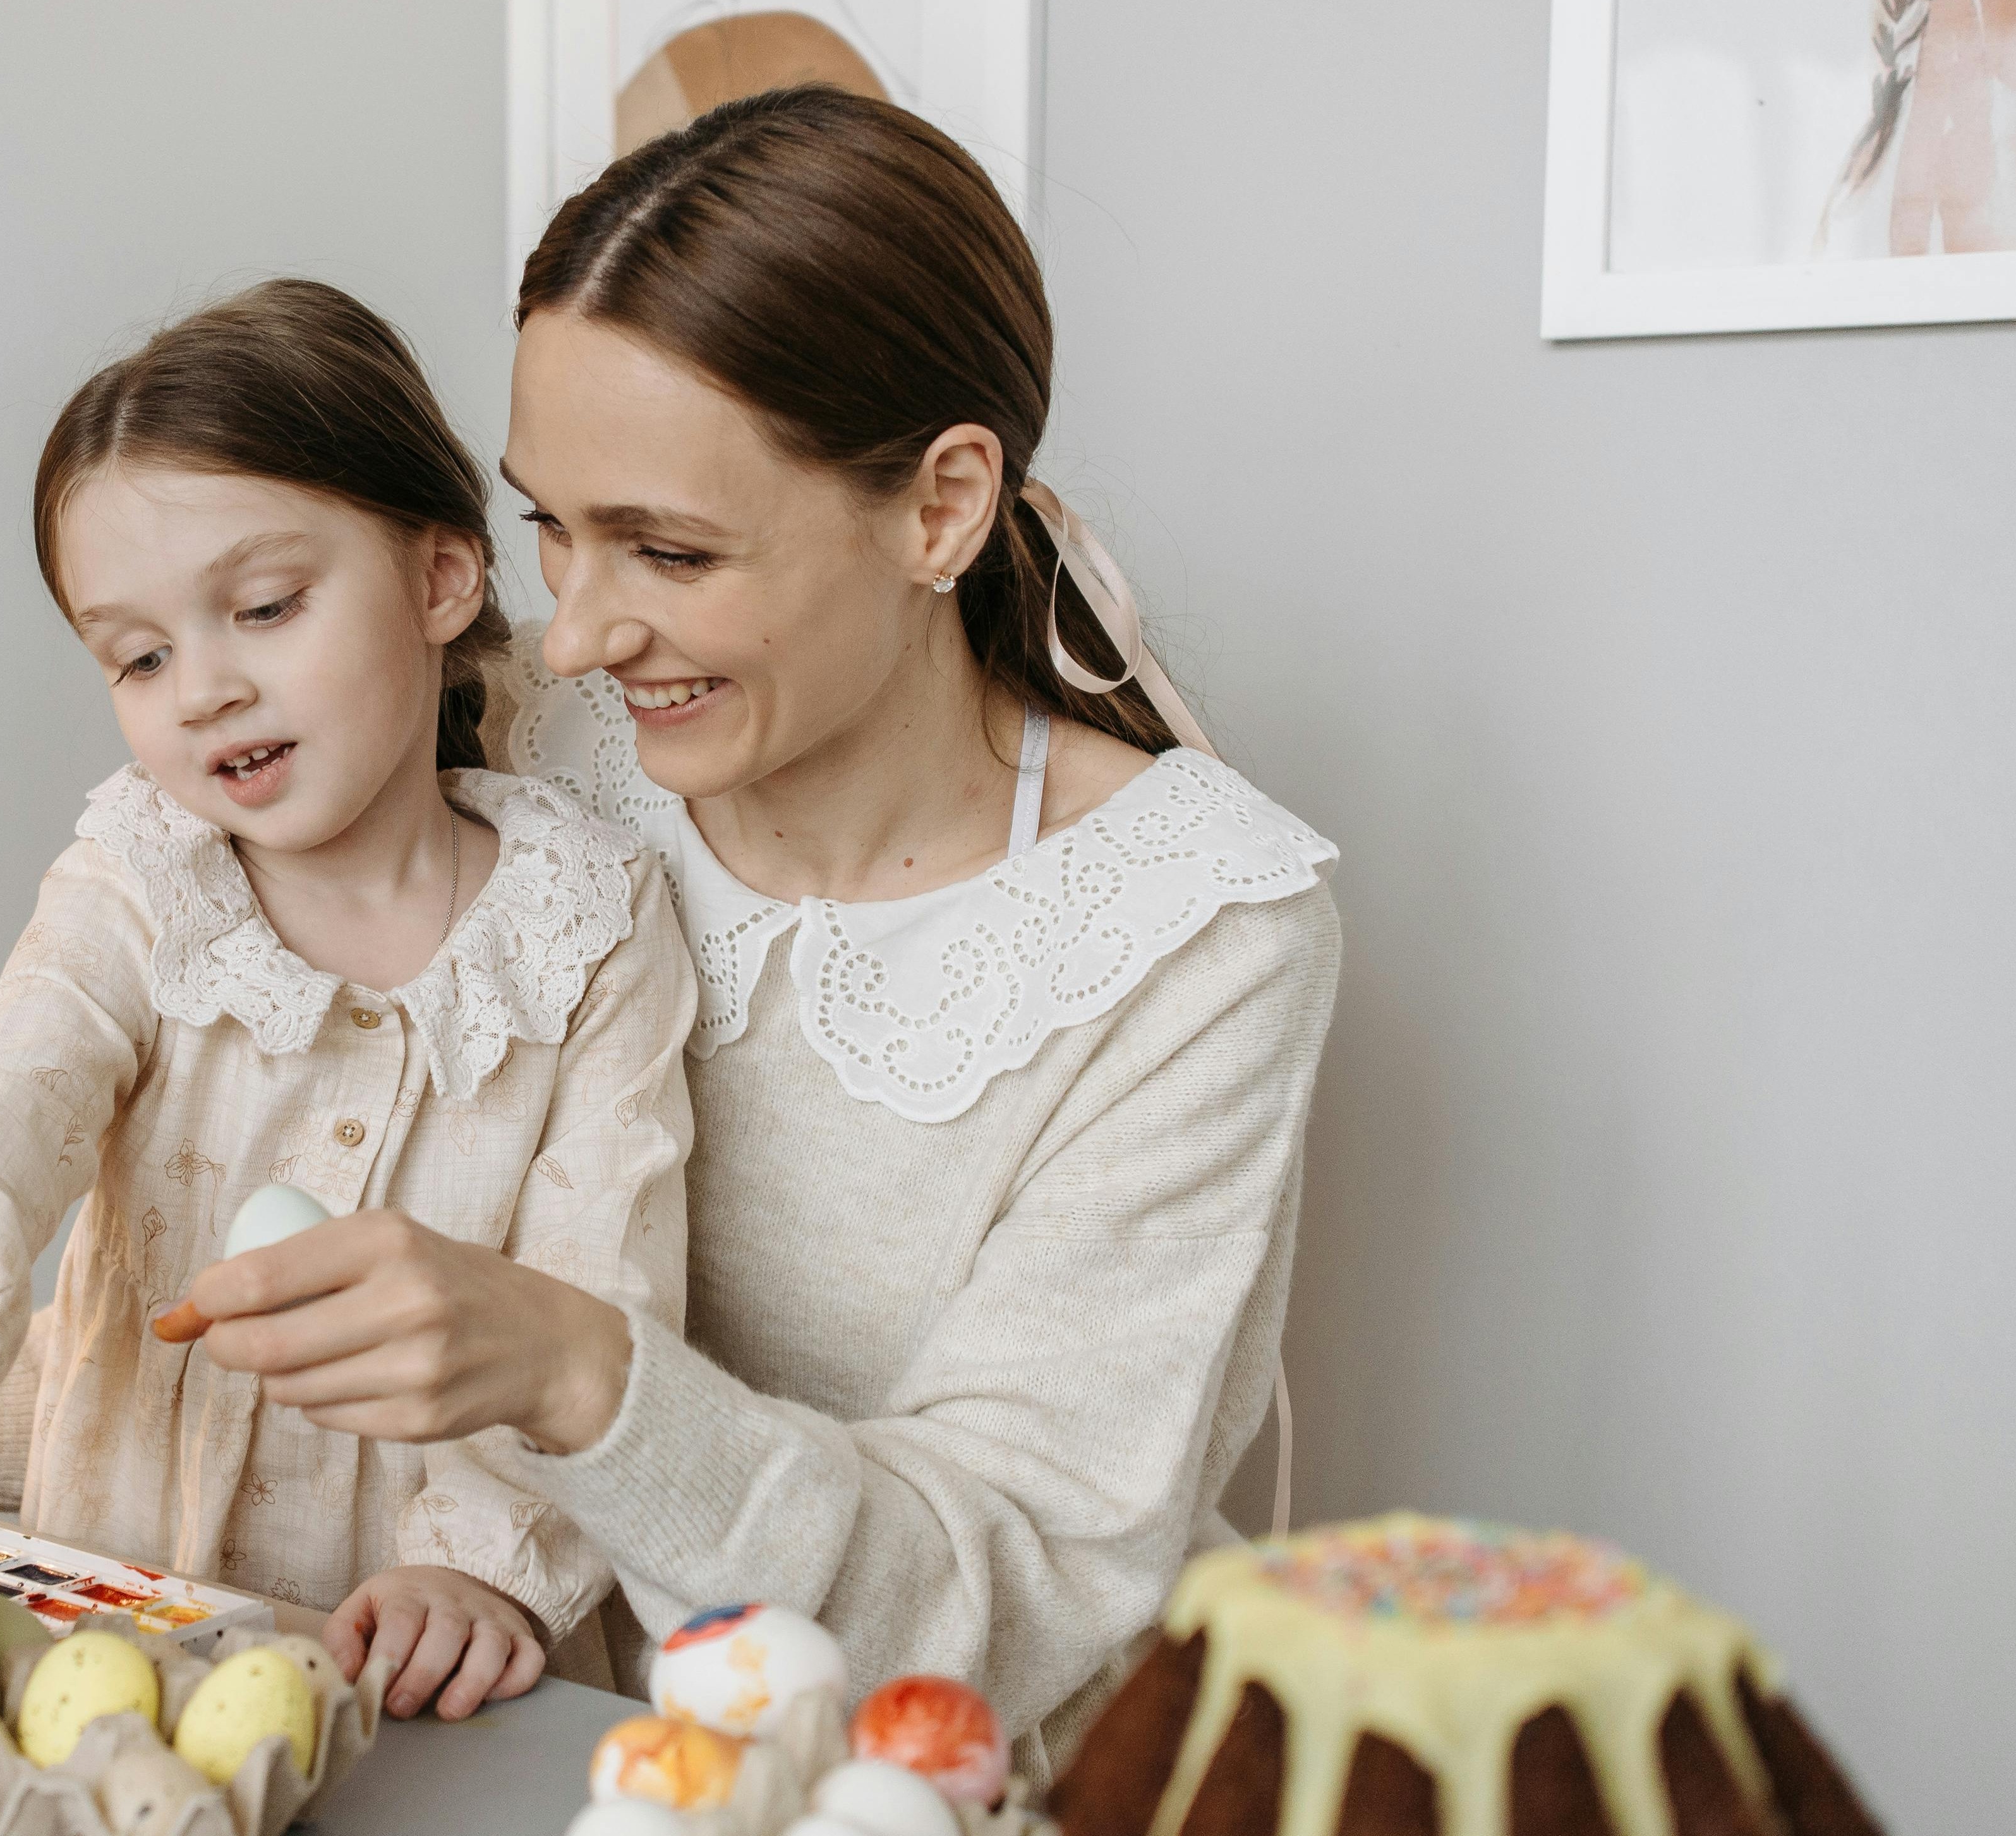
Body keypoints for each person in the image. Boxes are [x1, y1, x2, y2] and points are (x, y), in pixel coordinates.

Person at [169, 88, 1343, 1782]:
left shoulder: (1196, 934)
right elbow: (211, 1195)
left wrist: (580, 1372)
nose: (573, 632)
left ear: (941, 507)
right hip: (481, 1733)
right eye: (546, 529)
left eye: (668, 547)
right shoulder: (507, 755)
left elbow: (995, 1607)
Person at [0, 279, 696, 1723]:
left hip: (436, 1681)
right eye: (139, 655)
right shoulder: (140, 879)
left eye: (265, 608)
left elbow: (603, 1296)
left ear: (439, 580)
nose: (204, 690)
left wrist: (479, 1570)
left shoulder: (593, 922)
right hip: (111, 1641)